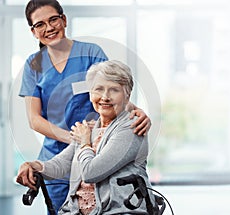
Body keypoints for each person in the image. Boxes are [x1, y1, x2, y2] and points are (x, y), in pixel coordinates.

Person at [19, 0, 151, 213]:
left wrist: (138, 112)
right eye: (40, 24)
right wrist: (77, 140)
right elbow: (34, 119)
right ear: (34, 32)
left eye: (53, 19)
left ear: (64, 20)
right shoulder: (33, 64)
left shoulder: (90, 52)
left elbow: (110, 90)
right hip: (59, 152)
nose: (49, 28)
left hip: (98, 149)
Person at [17, 60, 156, 214]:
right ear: (90, 94)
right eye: (98, 89)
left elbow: (91, 173)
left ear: (127, 95)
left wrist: (84, 141)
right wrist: (35, 166)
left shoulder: (131, 127)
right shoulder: (92, 128)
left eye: (114, 90)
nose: (105, 97)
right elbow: (61, 164)